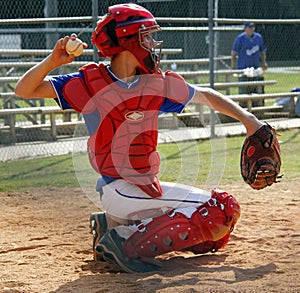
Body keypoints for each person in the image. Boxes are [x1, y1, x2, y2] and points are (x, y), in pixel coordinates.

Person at [15, 4, 263, 273]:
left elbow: (206, 95)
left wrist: (251, 122)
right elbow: (24, 90)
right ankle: (123, 242)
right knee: (217, 210)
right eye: (146, 36)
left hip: (144, 188)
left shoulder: (153, 84)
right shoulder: (90, 83)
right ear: (127, 41)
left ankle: (113, 226)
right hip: (118, 188)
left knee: (219, 222)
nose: (152, 43)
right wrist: (53, 61)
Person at [231, 22, 268, 108]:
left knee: (257, 88)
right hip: (243, 68)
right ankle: (243, 107)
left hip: (255, 68)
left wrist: (263, 62)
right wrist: (233, 66)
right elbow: (233, 53)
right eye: (249, 27)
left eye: (252, 27)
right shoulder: (240, 38)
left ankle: (258, 107)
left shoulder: (258, 37)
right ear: (245, 29)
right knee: (244, 90)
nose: (251, 29)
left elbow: (262, 51)